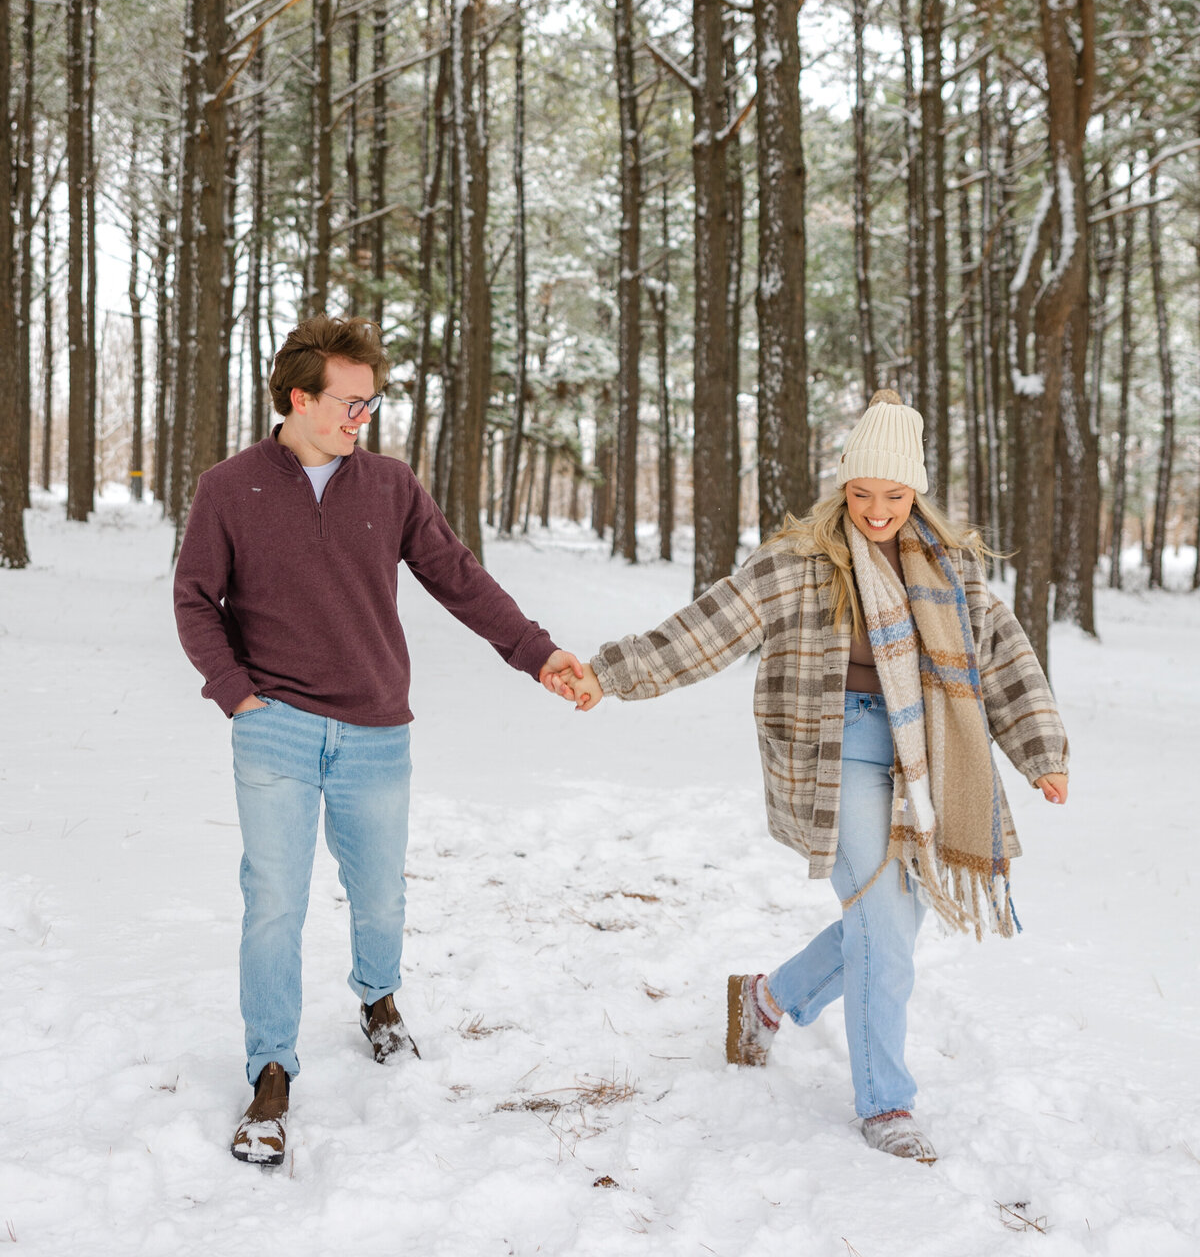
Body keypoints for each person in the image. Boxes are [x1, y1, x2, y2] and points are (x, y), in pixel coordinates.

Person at [557, 391, 1069, 1163]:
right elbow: (705, 631)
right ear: (843, 486)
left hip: (922, 756)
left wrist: (1043, 752)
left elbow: (1004, 658)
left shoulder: (951, 567)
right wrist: (608, 674)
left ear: (916, 492)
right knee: (883, 928)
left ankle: (767, 1000)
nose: (876, 510)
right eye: (862, 494)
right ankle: (887, 1105)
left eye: (894, 496)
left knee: (893, 920)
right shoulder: (798, 561)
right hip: (835, 754)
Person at [174, 314, 584, 1166]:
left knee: (381, 896)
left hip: (374, 733)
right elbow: (194, 600)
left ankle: (378, 998)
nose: (364, 419)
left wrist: (537, 654)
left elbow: (459, 579)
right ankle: (272, 1073)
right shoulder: (228, 487)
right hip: (275, 729)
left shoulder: (391, 487)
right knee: (275, 901)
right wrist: (237, 695)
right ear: (300, 397)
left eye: (372, 404)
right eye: (351, 403)